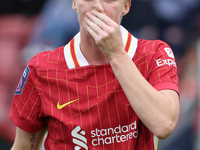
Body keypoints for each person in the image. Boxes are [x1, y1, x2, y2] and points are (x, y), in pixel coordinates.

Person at [9, 0, 180, 149]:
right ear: (75, 3)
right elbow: (23, 147)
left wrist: (116, 55)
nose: (97, 7)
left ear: (126, 6)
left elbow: (164, 124)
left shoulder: (154, 54)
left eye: (109, 0)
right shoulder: (41, 69)